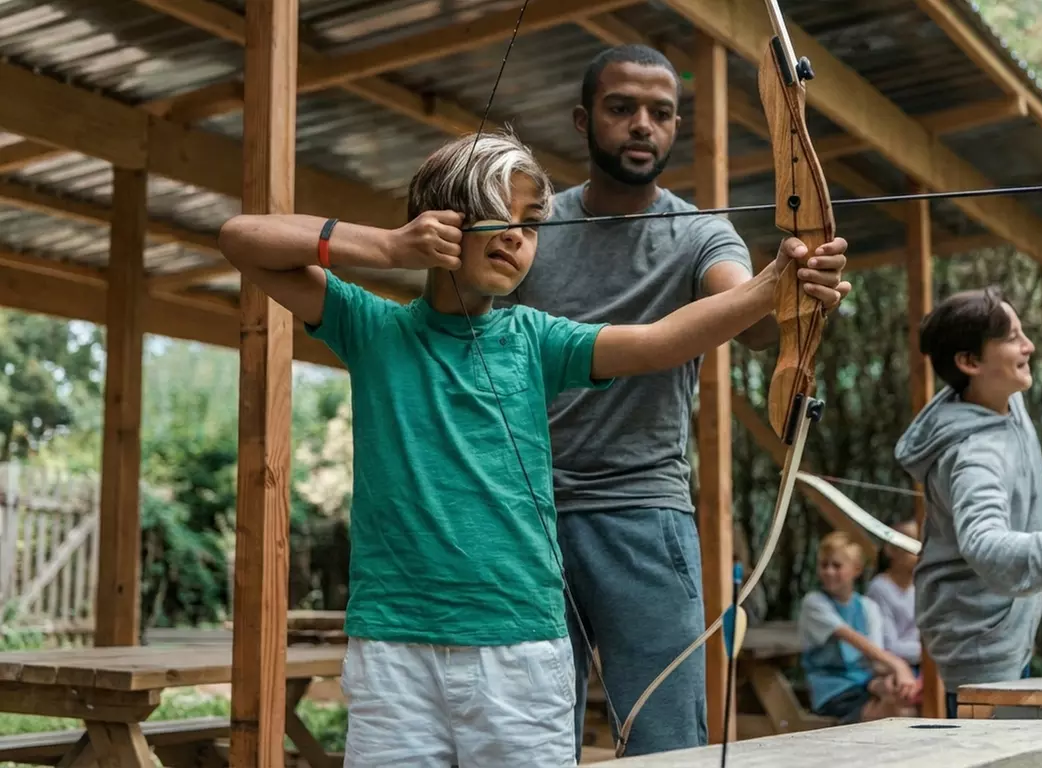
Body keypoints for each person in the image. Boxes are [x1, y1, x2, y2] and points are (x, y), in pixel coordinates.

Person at [215, 129, 841, 767]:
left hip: (519, 649)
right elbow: (241, 238)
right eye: (498, 212)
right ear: (440, 221)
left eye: (533, 224)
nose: (518, 236)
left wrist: (772, 285)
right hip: (394, 646)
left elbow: (660, 341)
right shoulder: (373, 328)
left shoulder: (535, 338)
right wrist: (387, 246)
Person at [495, 44, 852, 756]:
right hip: (525, 515)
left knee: (668, 743)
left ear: (676, 128)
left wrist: (792, 292)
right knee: (529, 743)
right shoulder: (532, 229)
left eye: (660, 113)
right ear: (582, 119)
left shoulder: (701, 233)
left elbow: (749, 320)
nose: (642, 125)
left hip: (642, 514)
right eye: (621, 108)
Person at [892, 286, 1042, 717]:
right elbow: (985, 546)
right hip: (981, 644)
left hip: (1004, 626)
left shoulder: (1002, 399)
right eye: (1011, 338)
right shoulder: (975, 456)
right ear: (970, 363)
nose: (1029, 346)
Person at [798, 532, 921, 724]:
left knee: (906, 703)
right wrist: (898, 665)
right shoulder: (814, 603)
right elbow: (852, 638)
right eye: (824, 565)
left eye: (836, 566)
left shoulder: (868, 607)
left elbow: (876, 660)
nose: (829, 572)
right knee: (899, 713)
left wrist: (890, 680)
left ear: (856, 569)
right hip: (833, 690)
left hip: (864, 685)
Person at [865, 518, 922, 677]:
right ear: (891, 550)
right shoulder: (879, 588)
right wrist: (929, 651)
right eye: (910, 542)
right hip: (893, 669)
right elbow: (888, 646)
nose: (919, 549)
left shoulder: (920, 586)